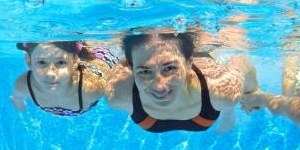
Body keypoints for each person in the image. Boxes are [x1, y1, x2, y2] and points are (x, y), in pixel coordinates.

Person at [105, 29, 258, 133]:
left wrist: (253, 91)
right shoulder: (118, 95)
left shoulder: (220, 90)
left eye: (170, 68)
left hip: (203, 63)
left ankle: (227, 111)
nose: (159, 86)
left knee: (226, 102)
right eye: (145, 71)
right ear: (131, 69)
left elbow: (240, 61)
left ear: (188, 63)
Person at [11, 41, 118, 116]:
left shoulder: (91, 89)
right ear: (29, 62)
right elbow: (17, 98)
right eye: (42, 62)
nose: (50, 74)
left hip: (101, 59)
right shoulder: (23, 85)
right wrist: (19, 102)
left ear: (76, 61)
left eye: (61, 62)